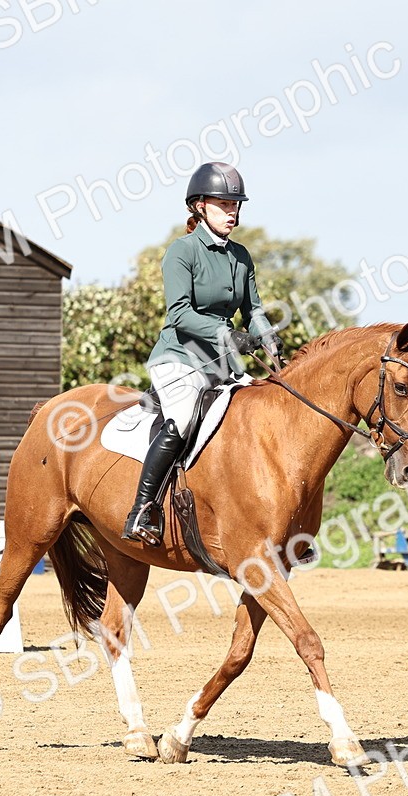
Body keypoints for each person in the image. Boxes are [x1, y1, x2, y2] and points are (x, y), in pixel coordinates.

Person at [122, 162, 283, 545]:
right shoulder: (181, 252)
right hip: (180, 357)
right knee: (181, 417)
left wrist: (270, 342)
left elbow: (254, 310)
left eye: (235, 204)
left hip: (224, 364)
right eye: (224, 203)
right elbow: (178, 313)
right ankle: (143, 509)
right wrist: (227, 334)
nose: (233, 211)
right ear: (199, 206)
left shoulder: (241, 257)